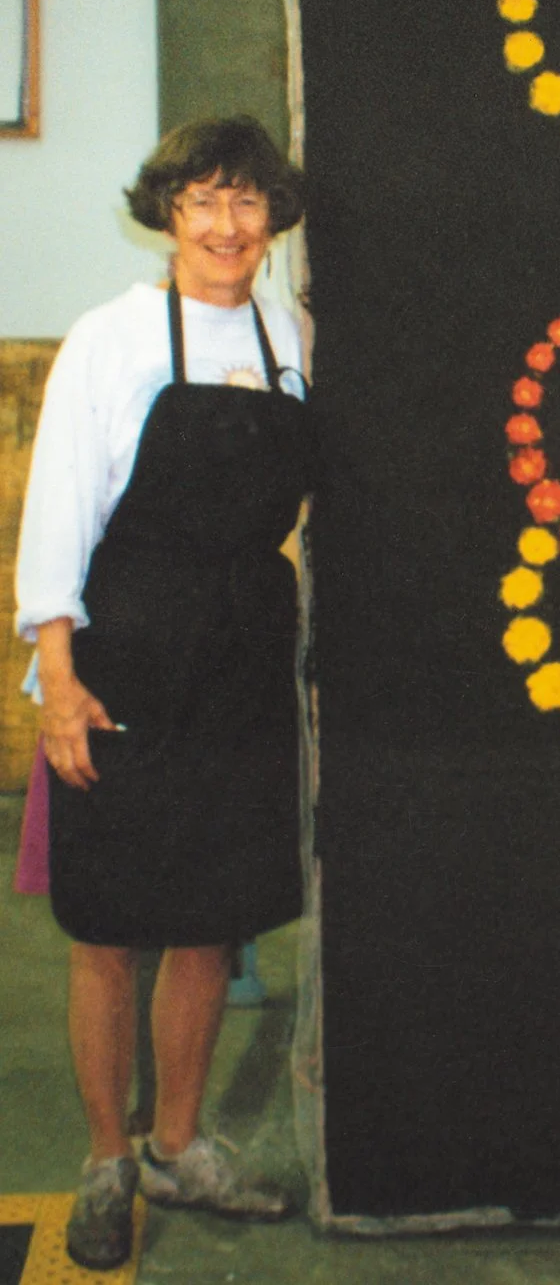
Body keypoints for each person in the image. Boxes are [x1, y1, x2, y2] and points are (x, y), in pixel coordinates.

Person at [15, 116, 314, 1270]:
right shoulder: (114, 338)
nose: (227, 227)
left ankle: (180, 1144)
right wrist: (57, 678)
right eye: (203, 202)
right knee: (111, 923)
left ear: (272, 218)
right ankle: (105, 1158)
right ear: (168, 215)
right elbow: (60, 512)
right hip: (127, 649)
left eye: (247, 203)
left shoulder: (288, 334)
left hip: (241, 658)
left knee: (206, 918)